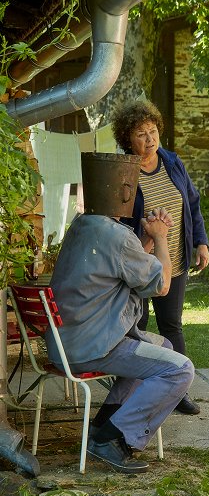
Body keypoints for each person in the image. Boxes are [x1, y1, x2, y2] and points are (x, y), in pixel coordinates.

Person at [45, 157, 195, 474]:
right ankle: (117, 441)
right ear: (125, 191)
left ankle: (102, 428)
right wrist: (162, 239)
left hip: (68, 343)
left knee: (164, 348)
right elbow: (161, 284)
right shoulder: (117, 236)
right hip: (94, 347)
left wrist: (148, 238)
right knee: (180, 369)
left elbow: (125, 264)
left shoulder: (81, 225)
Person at [111, 100, 209, 416]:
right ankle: (130, 395)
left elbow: (191, 204)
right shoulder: (123, 170)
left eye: (153, 131)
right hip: (138, 266)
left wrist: (201, 243)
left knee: (171, 325)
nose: (150, 139)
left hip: (175, 261)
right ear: (128, 139)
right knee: (135, 327)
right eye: (141, 134)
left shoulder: (172, 161)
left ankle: (179, 392)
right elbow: (116, 219)